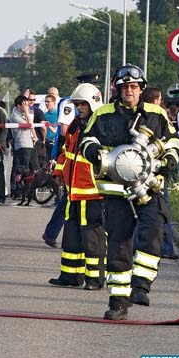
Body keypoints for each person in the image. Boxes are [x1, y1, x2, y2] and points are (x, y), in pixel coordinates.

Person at [79, 64, 179, 320]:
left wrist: (169, 161)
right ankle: (118, 303)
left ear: (141, 89)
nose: (130, 92)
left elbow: (173, 143)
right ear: (117, 89)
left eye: (134, 87)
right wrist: (93, 152)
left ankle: (141, 285)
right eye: (125, 87)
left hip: (149, 188)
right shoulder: (103, 114)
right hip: (115, 192)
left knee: (154, 232)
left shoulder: (156, 115)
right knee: (118, 247)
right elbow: (87, 140)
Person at [48, 83, 105, 289]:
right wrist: (58, 172)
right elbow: (66, 152)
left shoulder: (101, 126)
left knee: (92, 237)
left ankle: (95, 279)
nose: (78, 108)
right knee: (71, 236)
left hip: (92, 192)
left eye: (82, 104)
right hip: (73, 191)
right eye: (77, 104)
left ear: (92, 103)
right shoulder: (75, 125)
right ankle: (70, 275)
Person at [142, 86, 178, 260]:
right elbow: (172, 141)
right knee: (162, 211)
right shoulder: (159, 116)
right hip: (156, 173)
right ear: (156, 100)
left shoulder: (138, 116)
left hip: (140, 173)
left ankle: (156, 246)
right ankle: (166, 247)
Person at [9, 95, 36, 198]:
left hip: (30, 144)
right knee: (22, 170)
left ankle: (30, 191)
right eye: (24, 105)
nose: (27, 106)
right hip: (22, 144)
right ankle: (19, 191)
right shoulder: (15, 116)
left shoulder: (24, 113)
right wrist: (26, 112)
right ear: (19, 105)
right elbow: (29, 124)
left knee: (31, 169)